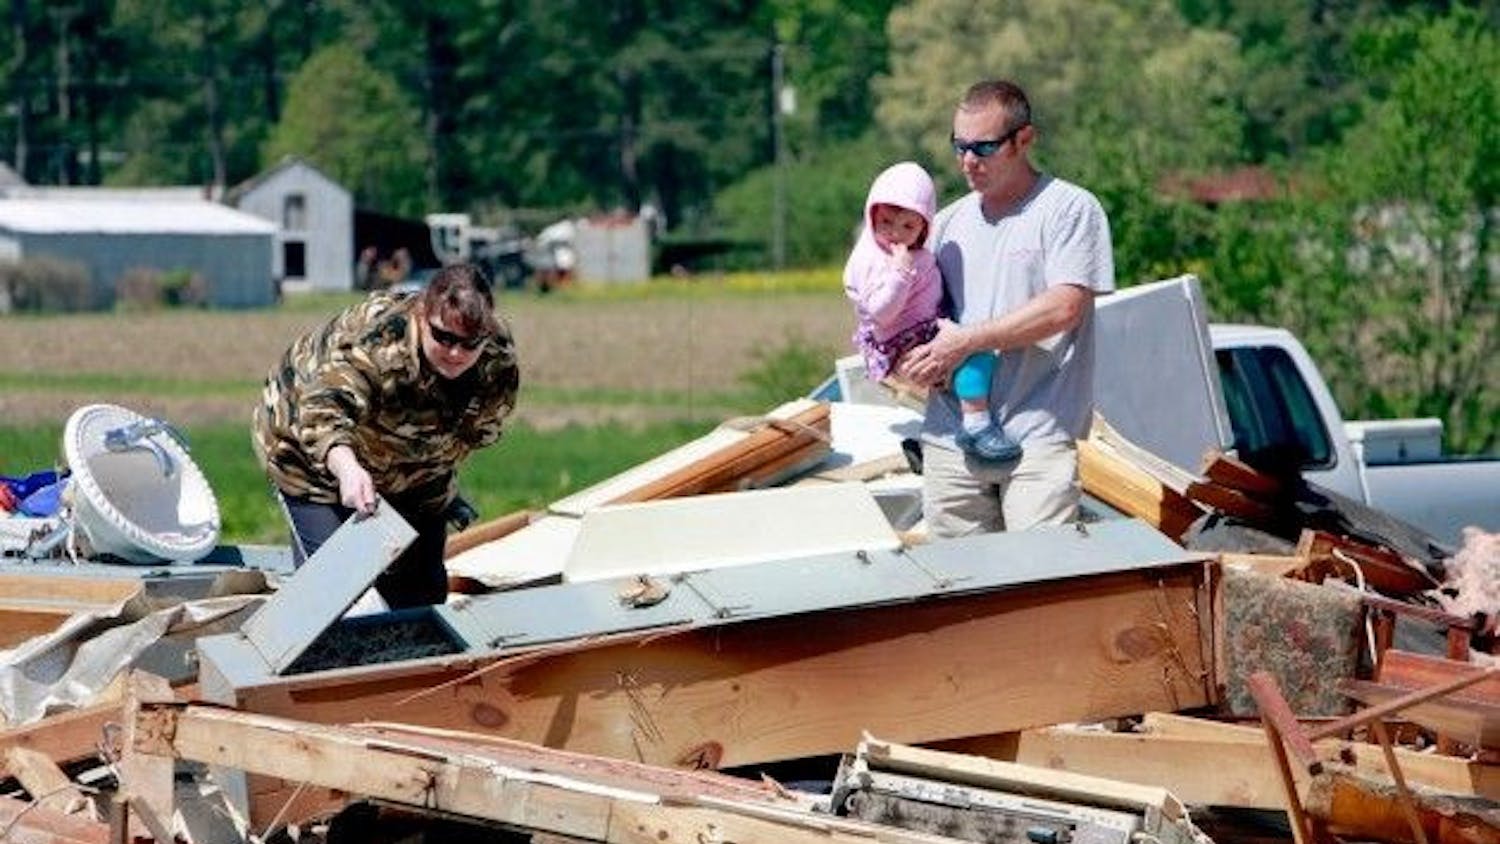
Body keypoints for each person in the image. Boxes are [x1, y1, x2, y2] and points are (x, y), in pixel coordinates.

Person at [899, 79, 1115, 538]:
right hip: (950, 440)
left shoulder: (1070, 210)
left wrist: (967, 341)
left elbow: (1064, 308)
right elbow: (915, 317)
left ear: (1025, 140)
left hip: (1037, 436)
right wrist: (913, 360)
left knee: (1035, 588)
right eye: (959, 147)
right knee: (961, 597)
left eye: (984, 147)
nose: (968, 161)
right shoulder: (946, 225)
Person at [251, 263, 519, 608]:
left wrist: (426, 479)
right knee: (334, 596)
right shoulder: (376, 341)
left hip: (409, 457)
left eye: (470, 343)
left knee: (422, 596)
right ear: (423, 316)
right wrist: (348, 470)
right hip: (308, 446)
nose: (456, 354)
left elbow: (477, 430)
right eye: (443, 337)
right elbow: (323, 413)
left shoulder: (497, 357)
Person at [844, 161, 1020, 461]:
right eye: (886, 222)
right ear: (871, 216)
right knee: (975, 354)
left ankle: (972, 420)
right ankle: (976, 425)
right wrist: (900, 275)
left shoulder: (916, 255)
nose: (896, 234)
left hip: (924, 327)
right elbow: (881, 313)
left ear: (924, 227)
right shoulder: (872, 262)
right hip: (903, 340)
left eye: (908, 226)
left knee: (974, 350)